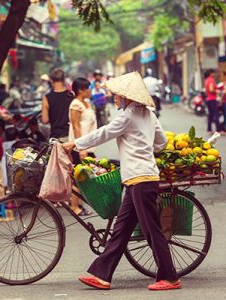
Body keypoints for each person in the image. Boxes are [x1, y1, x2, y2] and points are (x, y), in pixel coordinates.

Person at [63, 71, 181, 291]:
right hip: (140, 178)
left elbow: (104, 133)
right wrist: (144, 148)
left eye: (116, 95)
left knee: (151, 230)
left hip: (140, 179)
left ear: (126, 97)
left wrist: (74, 144)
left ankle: (170, 277)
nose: (114, 98)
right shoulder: (148, 114)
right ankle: (102, 275)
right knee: (121, 230)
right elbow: (162, 143)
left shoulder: (127, 115)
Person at [68, 77, 97, 216]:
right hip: (80, 147)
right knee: (79, 176)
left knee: (85, 176)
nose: (90, 90)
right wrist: (81, 148)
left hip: (88, 146)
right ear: (80, 90)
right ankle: (74, 206)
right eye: (88, 88)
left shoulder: (86, 103)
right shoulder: (75, 104)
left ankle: (78, 204)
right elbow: (75, 126)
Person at [41, 68, 74, 142]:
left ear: (51, 81)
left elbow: (45, 120)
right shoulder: (71, 96)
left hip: (56, 138)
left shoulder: (46, 98)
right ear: (64, 80)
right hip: (71, 137)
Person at [204, 69, 220, 134]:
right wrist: (217, 91)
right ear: (211, 73)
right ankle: (218, 130)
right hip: (212, 99)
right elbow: (211, 89)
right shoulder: (211, 80)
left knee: (210, 115)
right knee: (216, 114)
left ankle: (209, 129)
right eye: (214, 73)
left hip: (208, 99)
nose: (215, 74)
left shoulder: (206, 80)